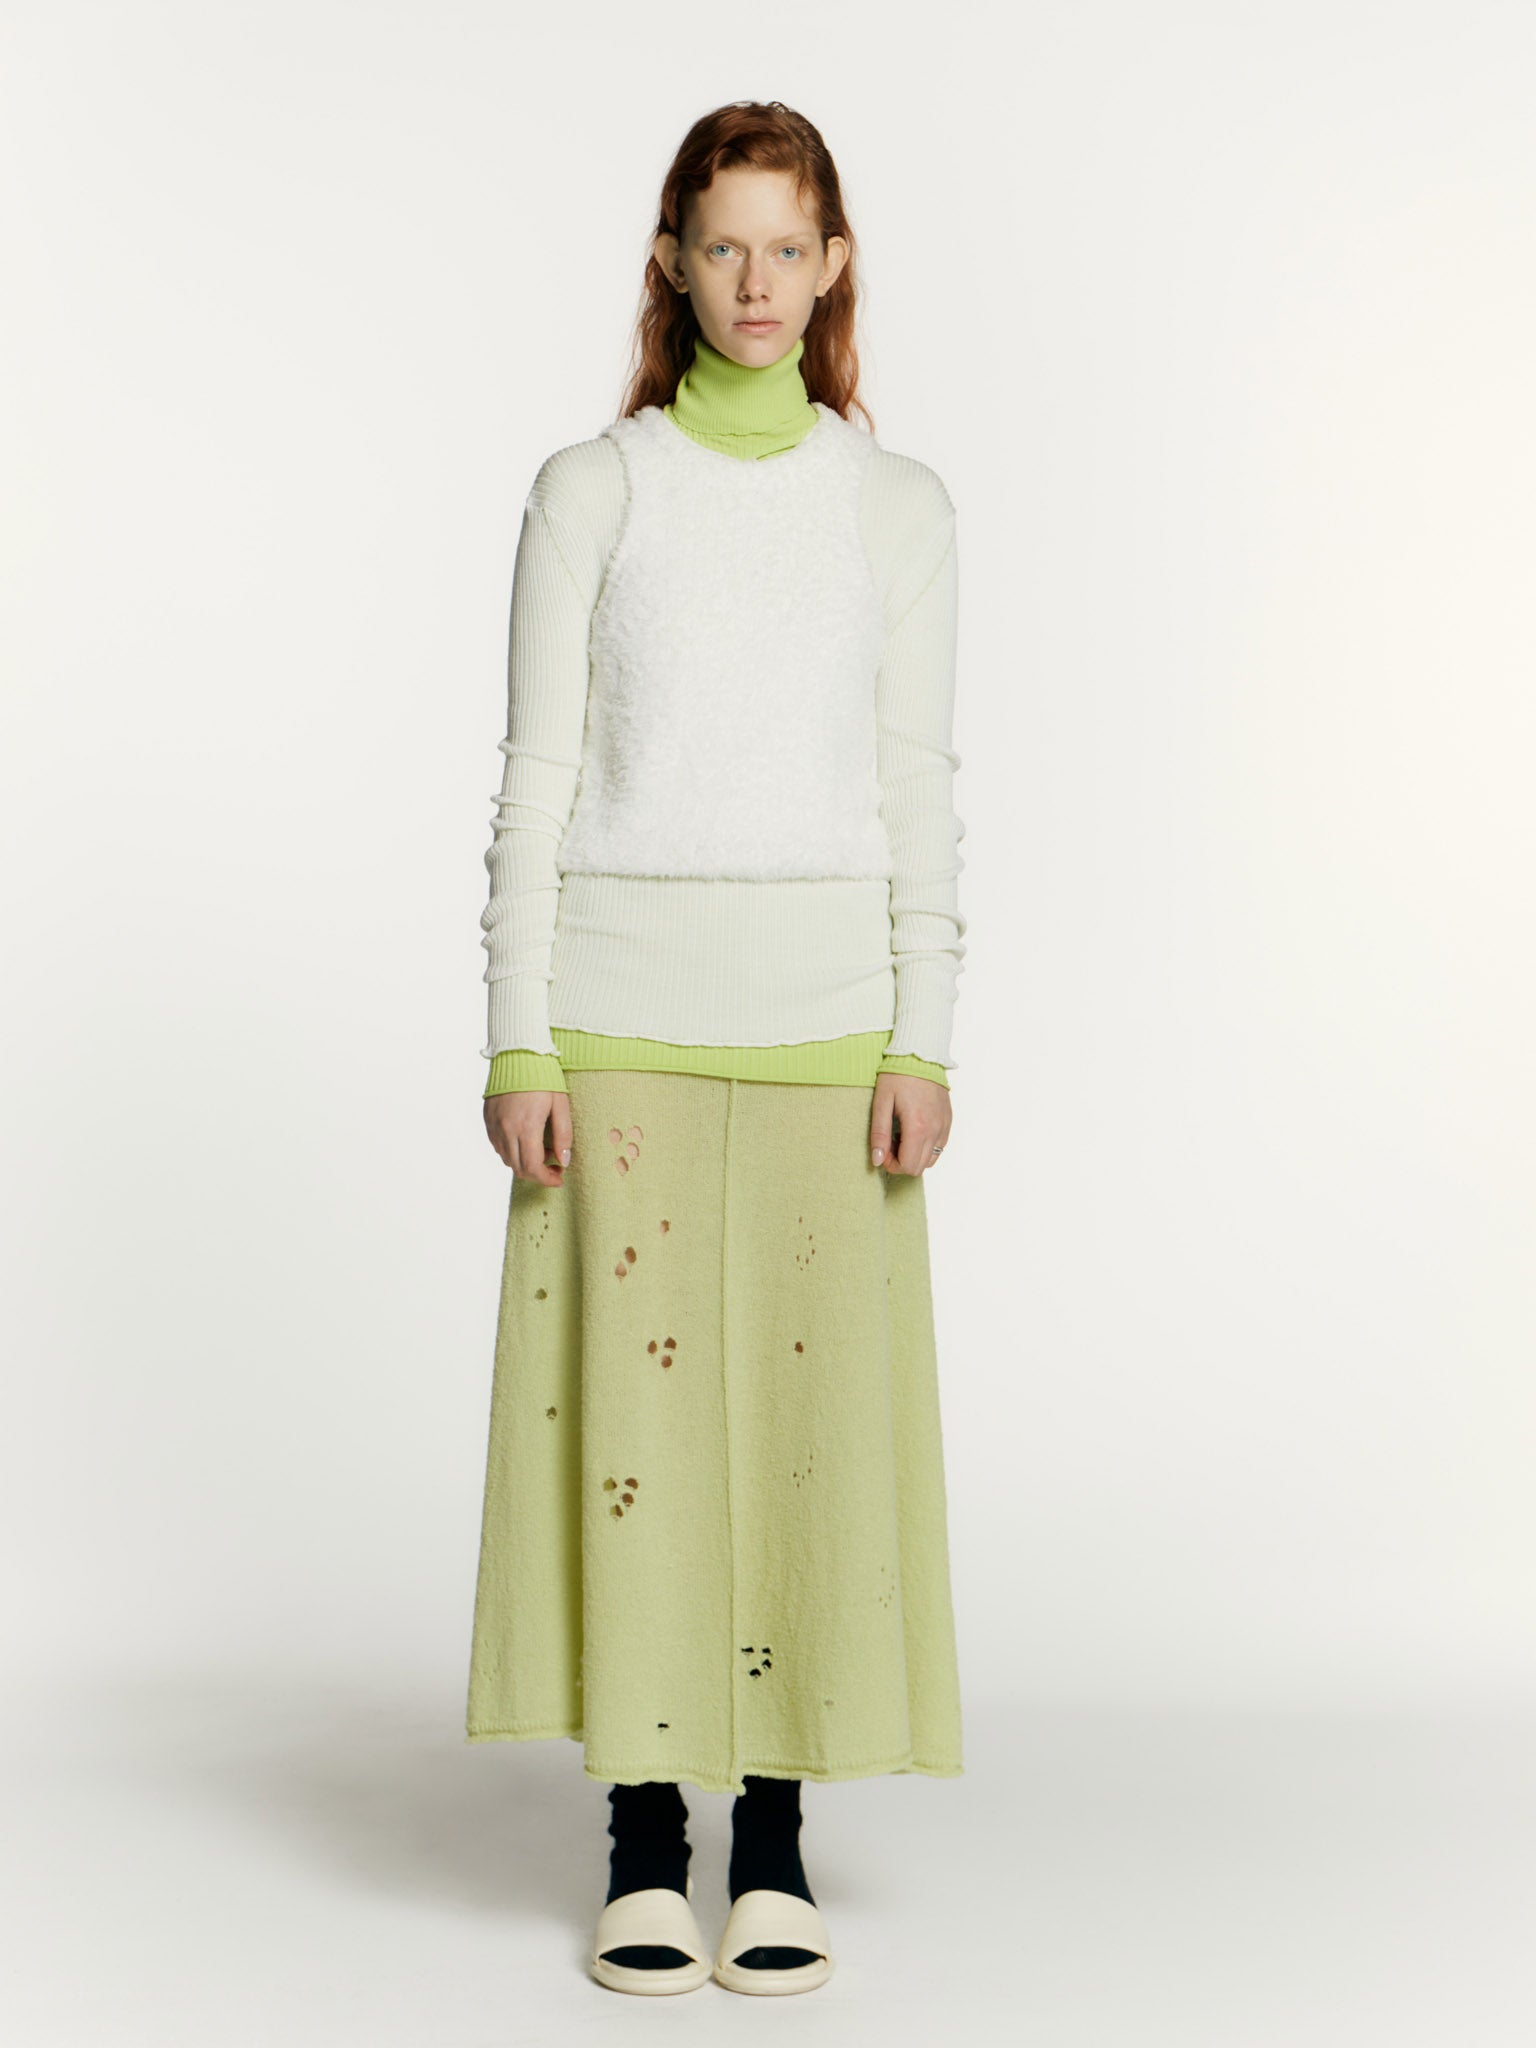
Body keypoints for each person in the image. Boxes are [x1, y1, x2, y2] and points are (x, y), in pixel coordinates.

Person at [464, 99, 967, 1999]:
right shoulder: (593, 491)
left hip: (831, 1031)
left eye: (788, 246)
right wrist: (518, 1042)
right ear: (672, 262)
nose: (756, 281)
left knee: (806, 1447)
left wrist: (926, 1031)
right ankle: (641, 1839)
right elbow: (533, 778)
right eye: (723, 244)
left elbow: (917, 787)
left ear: (833, 267)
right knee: (642, 1440)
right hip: (622, 1026)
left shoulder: (895, 507)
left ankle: (772, 1835)